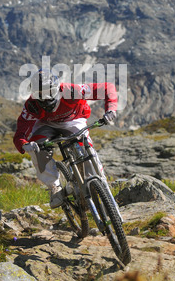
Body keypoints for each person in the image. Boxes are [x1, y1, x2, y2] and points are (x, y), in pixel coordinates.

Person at [13, 69, 117, 208]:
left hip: (73, 120)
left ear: (57, 88)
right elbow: (20, 133)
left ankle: (98, 179)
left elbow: (107, 88)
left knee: (85, 146)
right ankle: (54, 187)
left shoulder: (71, 91)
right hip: (46, 124)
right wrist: (24, 144)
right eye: (40, 94)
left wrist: (111, 109)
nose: (45, 98)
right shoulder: (31, 105)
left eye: (49, 92)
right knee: (37, 148)